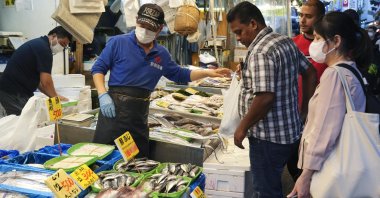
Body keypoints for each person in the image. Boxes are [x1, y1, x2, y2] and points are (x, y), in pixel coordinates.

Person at [91, 3, 230, 157]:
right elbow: (98, 69)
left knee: (137, 161)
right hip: (113, 112)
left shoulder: (161, 54)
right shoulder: (118, 42)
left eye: (150, 28)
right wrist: (103, 95)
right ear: (136, 20)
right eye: (141, 24)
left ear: (159, 29)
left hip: (139, 116)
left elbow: (180, 74)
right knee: (103, 156)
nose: (144, 30)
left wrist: (207, 73)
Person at [227, 2, 316, 197]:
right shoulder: (284, 41)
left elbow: (265, 97)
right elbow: (310, 72)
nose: (239, 38)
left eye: (239, 32)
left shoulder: (260, 51)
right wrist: (304, 110)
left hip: (268, 139)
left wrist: (242, 127)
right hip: (292, 132)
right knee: (300, 186)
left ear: (253, 24)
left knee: (267, 191)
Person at [288, 11, 371, 198]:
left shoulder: (334, 75)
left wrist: (306, 174)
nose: (314, 44)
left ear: (336, 41)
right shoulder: (352, 70)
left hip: (328, 167)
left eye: (318, 38)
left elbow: (324, 129)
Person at [289, 0, 327, 181]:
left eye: (308, 16)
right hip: (295, 114)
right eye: (301, 15)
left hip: (321, 116)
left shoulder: (330, 48)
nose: (302, 20)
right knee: (294, 162)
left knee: (315, 168)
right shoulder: (292, 44)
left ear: (320, 18)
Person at [0, 26, 72, 117]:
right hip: (13, 93)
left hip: (13, 92)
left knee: (28, 119)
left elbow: (39, 82)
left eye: (64, 47)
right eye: (62, 44)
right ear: (54, 36)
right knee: (23, 123)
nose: (62, 48)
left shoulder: (39, 44)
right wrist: (55, 100)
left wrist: (54, 96)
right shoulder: (44, 50)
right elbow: (46, 82)